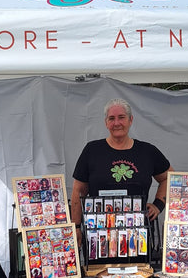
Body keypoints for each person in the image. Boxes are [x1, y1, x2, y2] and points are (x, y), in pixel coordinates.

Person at [71, 99, 171, 236]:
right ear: (106, 123)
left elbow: (169, 178)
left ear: (130, 120)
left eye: (121, 117)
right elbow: (78, 191)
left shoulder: (147, 151)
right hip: (98, 234)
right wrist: (76, 227)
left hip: (138, 234)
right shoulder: (92, 150)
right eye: (111, 118)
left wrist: (158, 205)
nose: (116, 123)